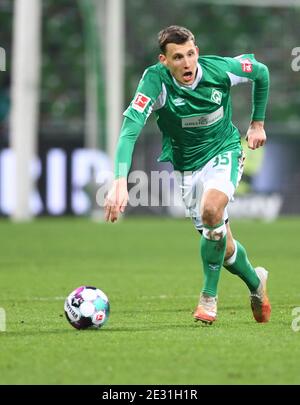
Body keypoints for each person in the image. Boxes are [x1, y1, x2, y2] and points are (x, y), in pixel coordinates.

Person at [104, 25, 271, 325]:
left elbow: (261, 72)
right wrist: (119, 181)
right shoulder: (155, 82)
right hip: (188, 168)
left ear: (197, 50)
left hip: (225, 150)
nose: (187, 63)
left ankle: (209, 299)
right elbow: (129, 131)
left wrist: (257, 123)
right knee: (224, 245)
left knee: (211, 210)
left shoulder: (219, 70)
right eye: (178, 57)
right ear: (164, 61)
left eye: (191, 53)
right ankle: (256, 284)